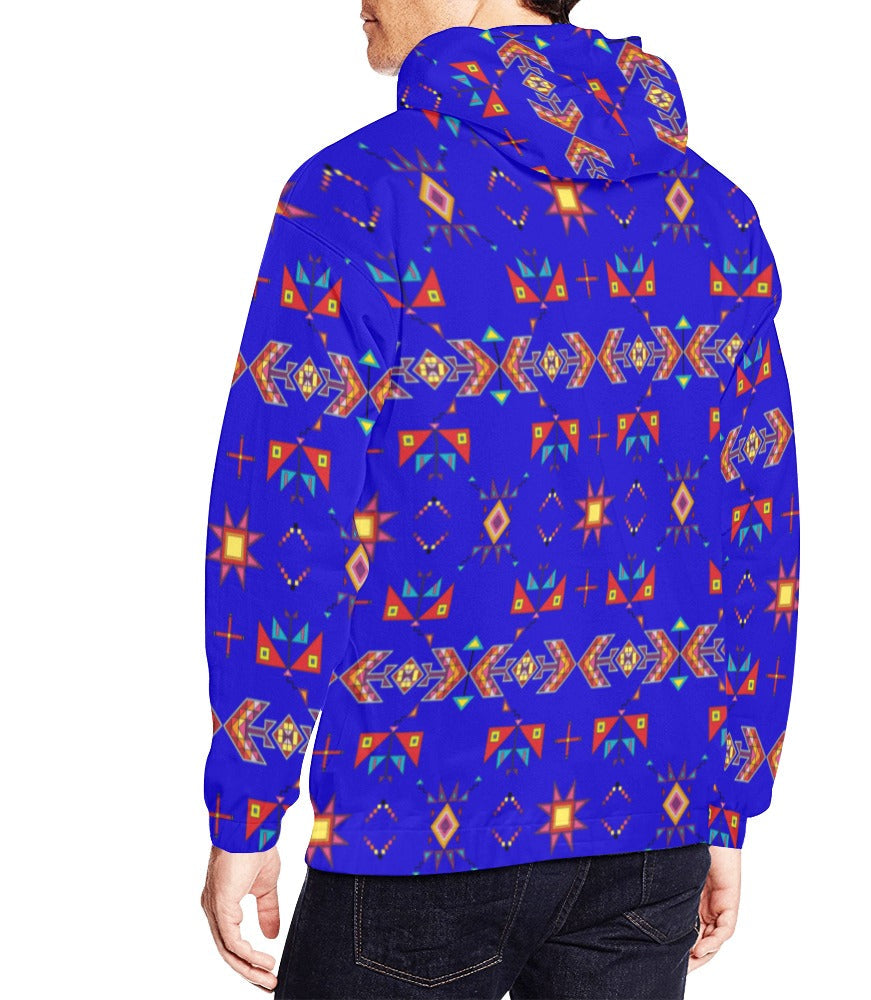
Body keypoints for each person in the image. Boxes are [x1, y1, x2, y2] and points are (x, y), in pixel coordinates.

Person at [199, 1, 800, 996]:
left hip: (410, 823)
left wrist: (246, 805)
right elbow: (756, 523)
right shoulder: (714, 212)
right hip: (649, 822)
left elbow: (283, 519)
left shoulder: (362, 192)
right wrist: (726, 799)